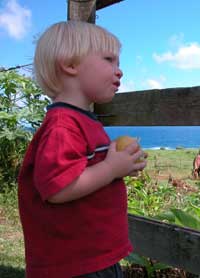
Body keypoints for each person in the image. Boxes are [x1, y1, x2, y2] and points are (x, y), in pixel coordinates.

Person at [18, 20, 147, 278]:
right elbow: (59, 187)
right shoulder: (63, 126)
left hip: (92, 257)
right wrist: (110, 168)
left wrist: (118, 162)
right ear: (71, 65)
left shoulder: (81, 121)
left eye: (118, 62)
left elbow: (86, 168)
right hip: (75, 265)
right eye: (109, 59)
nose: (119, 70)